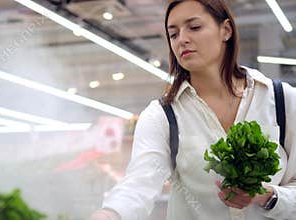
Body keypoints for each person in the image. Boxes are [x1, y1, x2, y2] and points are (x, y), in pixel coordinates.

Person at [90, 0, 296, 219]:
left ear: (225, 30)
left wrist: (269, 196)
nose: (182, 40)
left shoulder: (282, 100)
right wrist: (109, 214)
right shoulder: (163, 115)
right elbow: (139, 183)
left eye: (194, 27)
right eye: (173, 34)